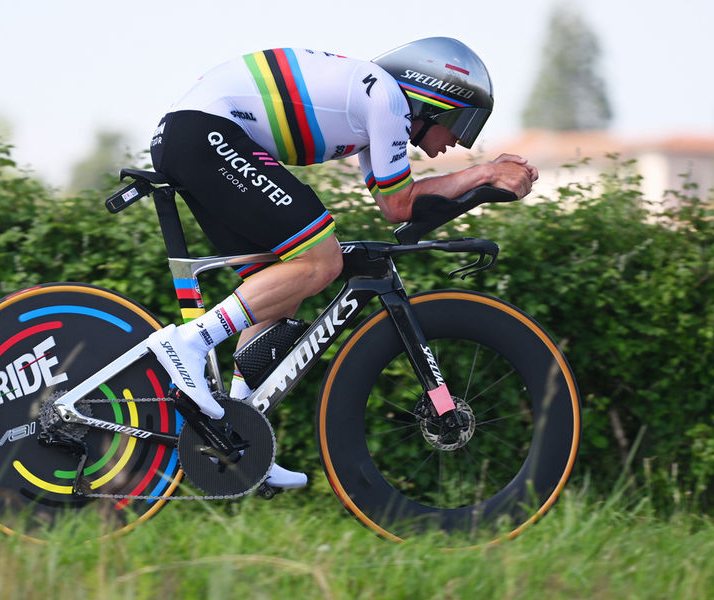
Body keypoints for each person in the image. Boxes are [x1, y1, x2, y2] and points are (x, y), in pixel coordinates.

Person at [146, 37, 538, 490]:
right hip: (205, 132)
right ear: (433, 100)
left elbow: (396, 209)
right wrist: (485, 172)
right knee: (321, 261)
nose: (456, 141)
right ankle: (189, 343)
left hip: (196, 135)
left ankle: (239, 436)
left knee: (279, 291)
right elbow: (402, 200)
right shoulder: (388, 98)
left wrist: (479, 180)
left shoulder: (375, 103)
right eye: (459, 123)